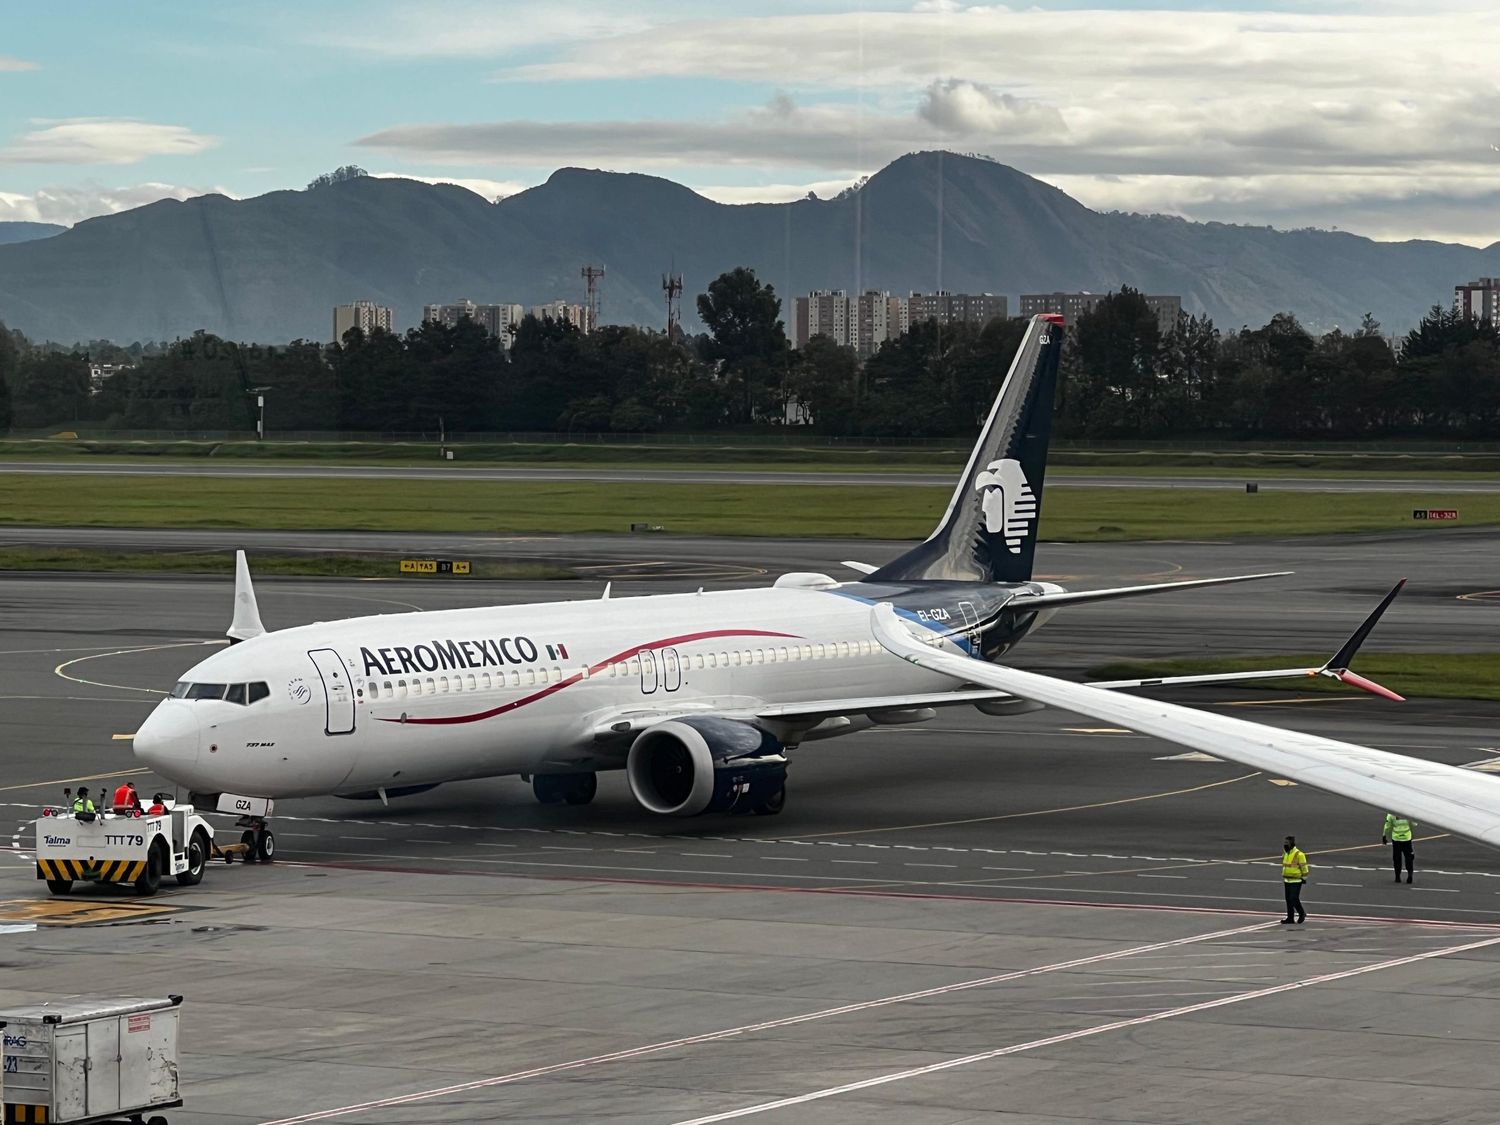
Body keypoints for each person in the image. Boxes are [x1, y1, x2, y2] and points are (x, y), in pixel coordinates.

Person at [1281, 835, 1309, 924]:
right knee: (1288, 899)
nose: (1285, 844)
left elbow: (1304, 867)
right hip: (1287, 880)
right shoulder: (1286, 853)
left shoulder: (1299, 854)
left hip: (1296, 880)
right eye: (1285, 843)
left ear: (1292, 843)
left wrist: (1304, 878)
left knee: (1294, 898)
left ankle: (1301, 913)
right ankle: (1290, 918)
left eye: (1287, 843)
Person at [1383, 812, 1415, 884]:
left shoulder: (1391, 814)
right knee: (1409, 857)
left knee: (1397, 859)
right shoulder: (1407, 812)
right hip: (1406, 838)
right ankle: (1410, 874)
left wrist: (1384, 835)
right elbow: (1414, 823)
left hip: (1396, 839)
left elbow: (1387, 826)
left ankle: (1397, 877)